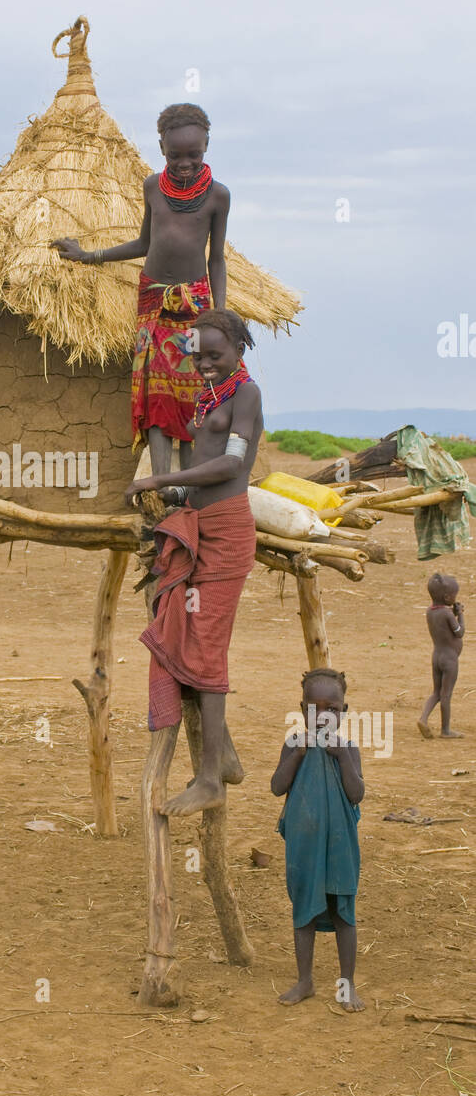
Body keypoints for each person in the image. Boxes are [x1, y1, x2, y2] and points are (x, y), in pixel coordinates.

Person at [125, 309, 261, 816]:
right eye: (198, 355)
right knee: (181, 627)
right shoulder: (208, 398)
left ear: (239, 350)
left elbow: (231, 464)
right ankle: (221, 754)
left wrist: (157, 482)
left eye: (215, 355)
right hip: (199, 526)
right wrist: (174, 493)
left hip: (226, 533)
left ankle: (209, 780)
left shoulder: (245, 394)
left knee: (206, 645)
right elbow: (199, 470)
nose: (204, 363)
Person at [51, 103, 230, 474]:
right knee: (156, 393)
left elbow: (216, 259)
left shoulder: (218, 196)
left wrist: (220, 313)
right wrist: (89, 256)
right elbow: (144, 243)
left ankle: (192, 484)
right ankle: (162, 485)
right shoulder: (152, 187)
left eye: (194, 155)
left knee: (196, 387)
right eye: (176, 154)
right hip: (151, 299)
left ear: (207, 146)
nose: (185, 163)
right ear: (162, 146)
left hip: (193, 301)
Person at [271, 668, 365, 1012]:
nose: (324, 715)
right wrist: (297, 754)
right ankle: (305, 980)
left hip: (340, 844)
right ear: (302, 709)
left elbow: (357, 794)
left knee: (343, 911)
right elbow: (277, 786)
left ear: (344, 711)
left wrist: (341, 757)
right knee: (304, 911)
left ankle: (347, 984)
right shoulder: (293, 744)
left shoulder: (349, 748)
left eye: (332, 709)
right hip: (304, 846)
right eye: (315, 708)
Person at [418, 573, 465, 738]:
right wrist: (460, 615)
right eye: (454, 595)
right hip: (449, 659)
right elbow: (459, 633)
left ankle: (423, 718)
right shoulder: (447, 614)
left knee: (436, 692)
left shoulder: (430, 611)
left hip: (436, 656)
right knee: (446, 695)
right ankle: (445, 730)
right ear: (446, 597)